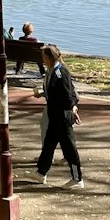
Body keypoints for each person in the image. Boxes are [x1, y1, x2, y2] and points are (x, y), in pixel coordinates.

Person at [32, 44, 85, 189]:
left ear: (50, 58)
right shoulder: (50, 72)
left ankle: (77, 178)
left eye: (43, 57)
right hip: (54, 115)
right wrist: (43, 94)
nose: (42, 60)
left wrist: (73, 109)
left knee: (69, 148)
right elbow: (55, 92)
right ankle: (41, 172)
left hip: (62, 116)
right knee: (49, 144)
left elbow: (69, 95)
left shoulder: (61, 73)